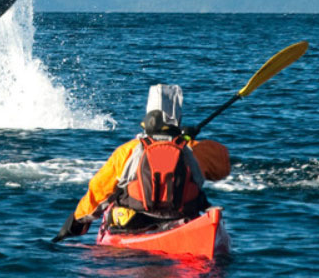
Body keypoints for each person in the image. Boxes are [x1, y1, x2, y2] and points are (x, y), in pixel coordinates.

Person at [53, 84, 231, 241]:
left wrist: (77, 221)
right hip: (180, 222)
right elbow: (223, 167)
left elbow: (98, 192)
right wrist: (188, 140)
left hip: (133, 225)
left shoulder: (128, 150)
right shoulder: (192, 150)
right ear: (179, 117)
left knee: (115, 200)